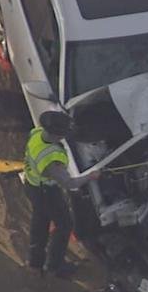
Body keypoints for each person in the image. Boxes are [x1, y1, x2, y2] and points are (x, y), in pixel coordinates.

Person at [23, 111, 99, 278]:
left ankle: (35, 264)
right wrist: (90, 176)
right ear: (57, 134)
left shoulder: (36, 133)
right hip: (46, 192)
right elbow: (69, 183)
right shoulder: (51, 159)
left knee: (40, 222)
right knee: (64, 226)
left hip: (32, 185)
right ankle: (54, 266)